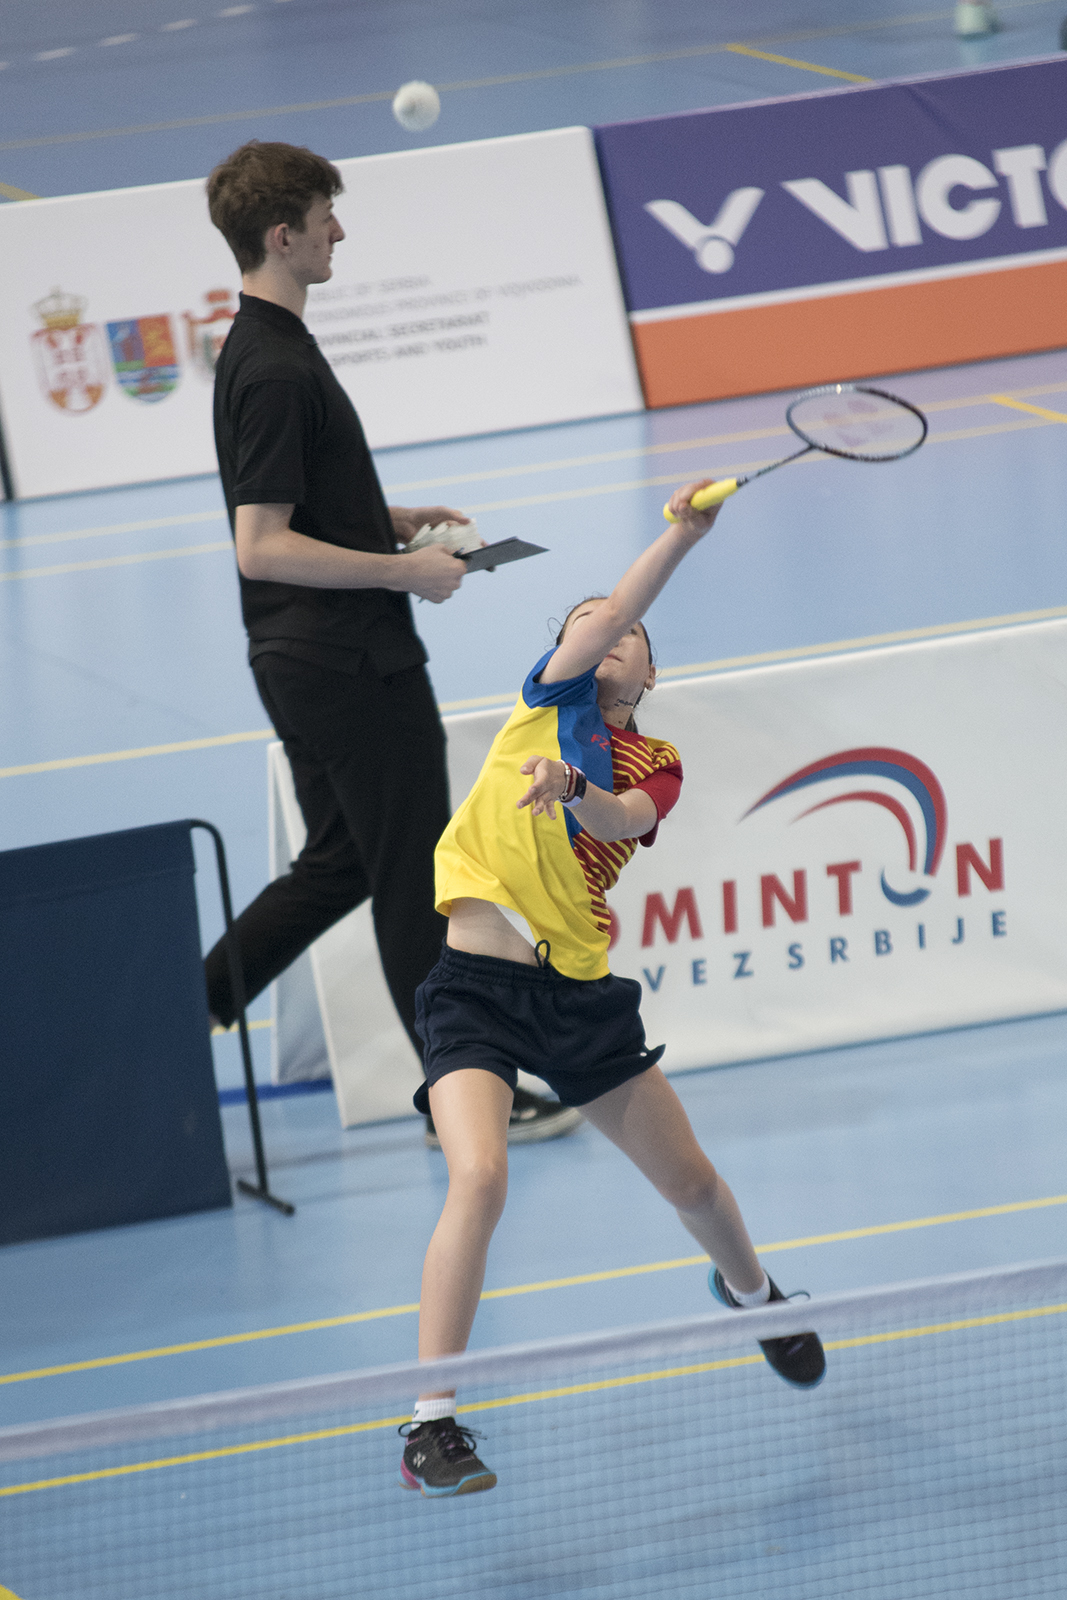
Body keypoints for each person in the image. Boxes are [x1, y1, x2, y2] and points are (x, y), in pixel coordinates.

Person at [398, 479, 826, 1499]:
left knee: (693, 1187)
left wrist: (573, 789)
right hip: (472, 986)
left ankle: (756, 1297)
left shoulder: (655, 758)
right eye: (587, 624)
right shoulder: (546, 699)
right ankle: (429, 1425)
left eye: (626, 631)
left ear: (648, 670)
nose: (605, 631)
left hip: (577, 997)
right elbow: (606, 615)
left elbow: (625, 819)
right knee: (479, 1177)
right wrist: (678, 535)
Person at [202, 140, 579, 1144]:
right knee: (418, 876)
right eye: (324, 217)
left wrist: (387, 518)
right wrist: (400, 570)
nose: (340, 230)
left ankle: (180, 1010)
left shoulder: (263, 344)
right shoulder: (274, 366)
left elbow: (294, 501)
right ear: (281, 236)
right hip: (349, 663)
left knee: (338, 865)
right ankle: (459, 1099)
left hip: (305, 660)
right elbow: (260, 544)